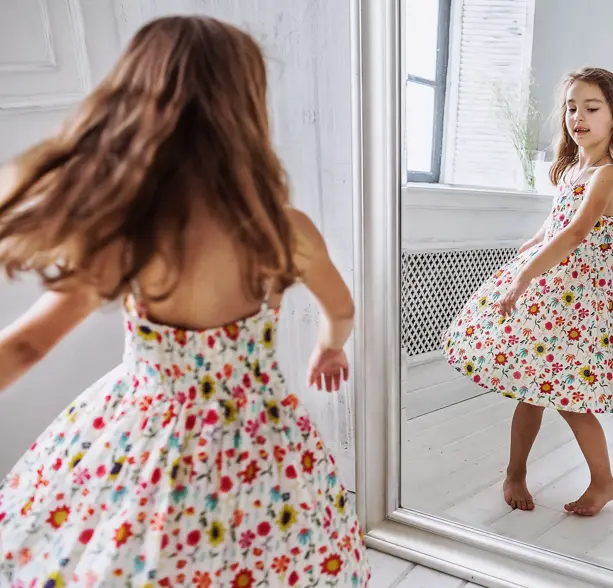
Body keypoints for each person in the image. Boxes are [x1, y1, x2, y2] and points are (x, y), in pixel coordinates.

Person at [0, 16, 369, 587]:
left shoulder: (135, 234)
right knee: (270, 559)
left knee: (140, 560)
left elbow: (24, 345)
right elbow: (341, 309)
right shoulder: (284, 231)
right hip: (261, 444)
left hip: (147, 443)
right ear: (248, 111)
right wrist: (328, 348)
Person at [443, 67, 613, 517]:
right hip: (552, 295)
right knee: (530, 391)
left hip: (577, 305)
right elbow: (555, 224)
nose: (578, 116)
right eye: (571, 107)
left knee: (571, 400)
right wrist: (533, 244)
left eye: (592, 108)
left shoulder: (607, 175)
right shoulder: (575, 169)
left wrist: (524, 276)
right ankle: (514, 472)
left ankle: (604, 481)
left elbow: (576, 234)